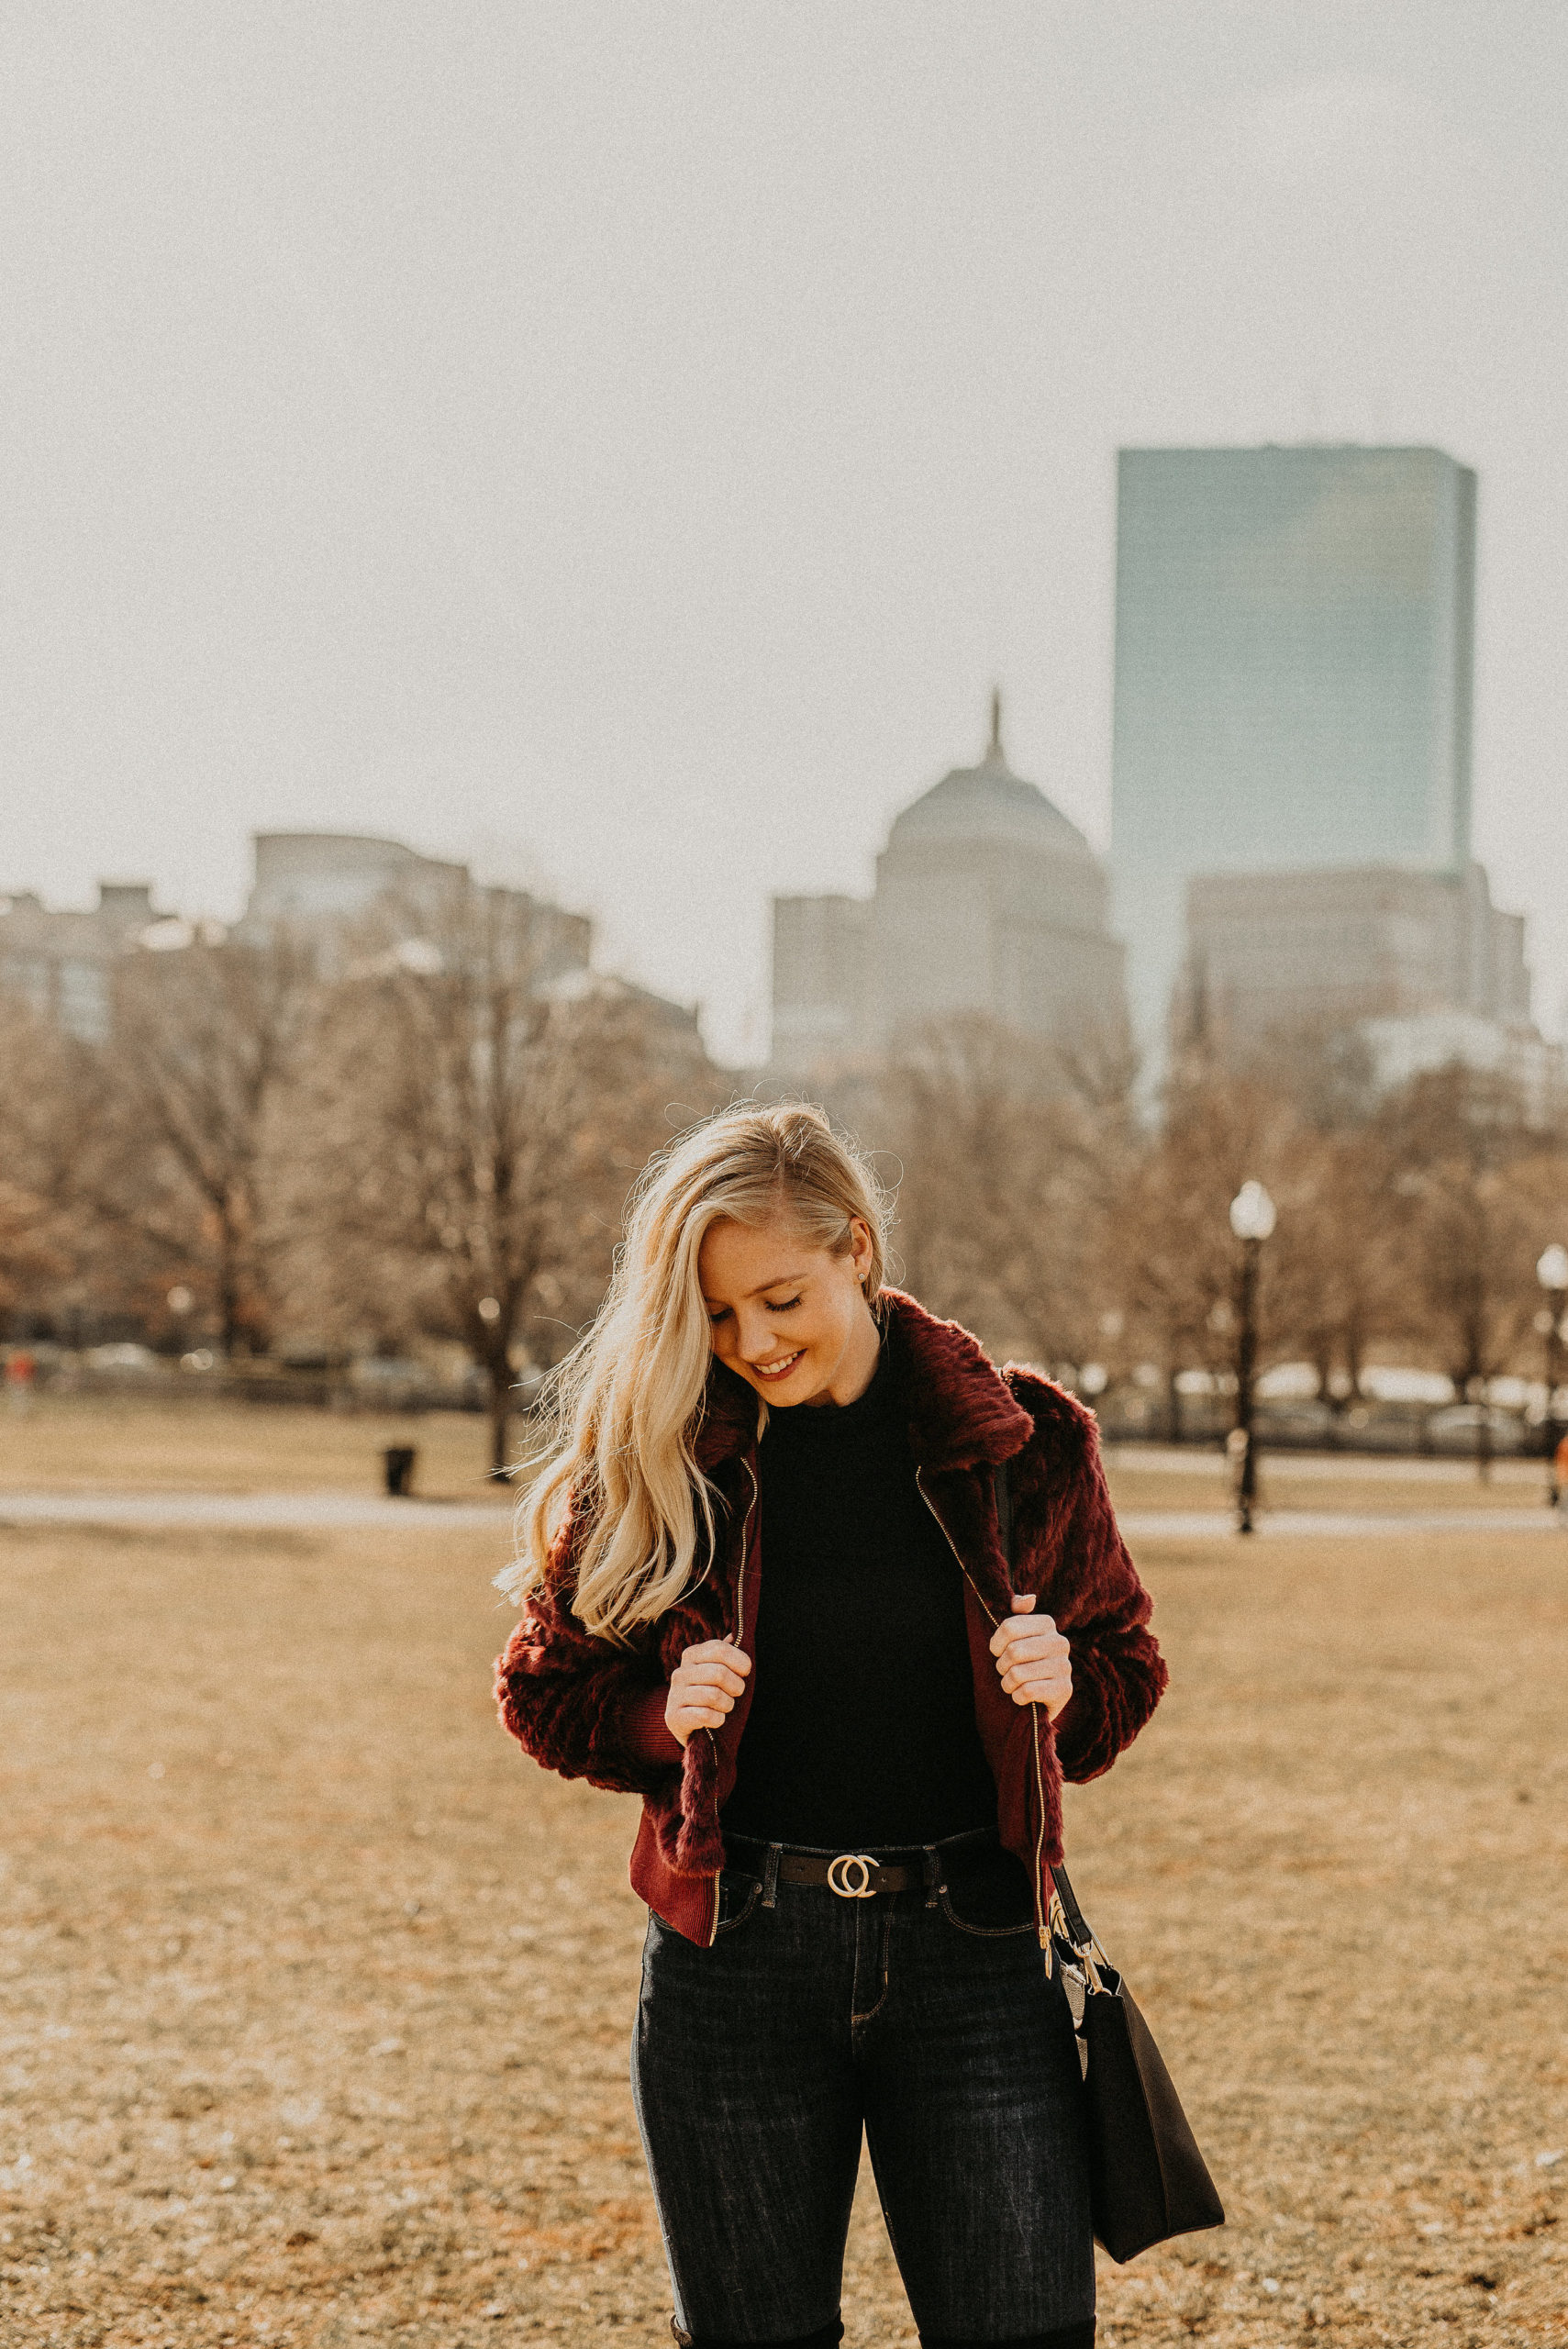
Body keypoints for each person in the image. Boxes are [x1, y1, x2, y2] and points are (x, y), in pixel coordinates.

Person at [495, 1105, 1166, 2349]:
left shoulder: (1025, 1444)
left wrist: (1064, 1683)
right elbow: (543, 1687)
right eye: (710, 1313)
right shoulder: (659, 1452)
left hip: (973, 1958)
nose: (749, 1341)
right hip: (733, 1965)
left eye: (779, 1298)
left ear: (855, 1249)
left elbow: (1125, 1664)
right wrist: (653, 1718)